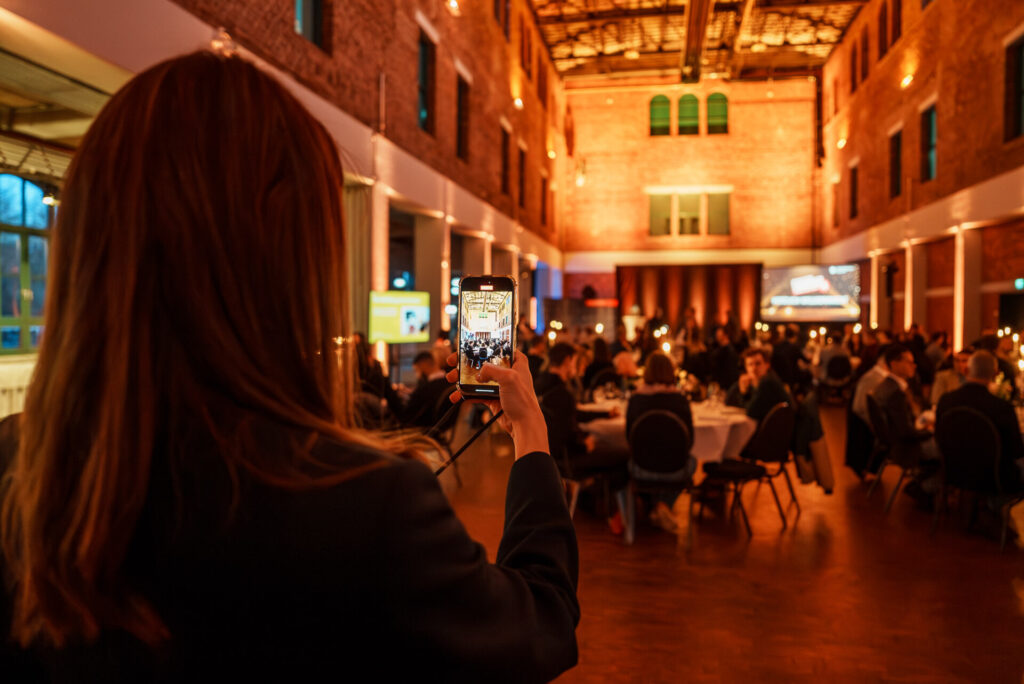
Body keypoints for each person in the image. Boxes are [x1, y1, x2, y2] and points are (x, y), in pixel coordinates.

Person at [0, 52, 579, 681]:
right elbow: (538, 627)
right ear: (293, 268)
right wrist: (532, 439)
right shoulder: (366, 508)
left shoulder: (14, 467)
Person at [936, 350, 1024, 491]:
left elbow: (939, 437)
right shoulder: (1001, 407)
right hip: (995, 477)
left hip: (954, 472)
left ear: (967, 370)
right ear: (995, 374)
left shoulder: (946, 401)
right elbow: (1016, 450)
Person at [534, 343, 621, 472]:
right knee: (621, 454)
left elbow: (570, 415)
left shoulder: (540, 385)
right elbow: (567, 434)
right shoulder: (562, 393)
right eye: (574, 361)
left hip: (546, 455)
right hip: (567, 459)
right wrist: (584, 446)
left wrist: (606, 414)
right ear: (568, 361)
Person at [869, 344, 936, 473]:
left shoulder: (886, 386)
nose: (914, 366)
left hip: (895, 444)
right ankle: (928, 486)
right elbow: (905, 431)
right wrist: (931, 432)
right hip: (905, 448)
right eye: (909, 362)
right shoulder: (895, 393)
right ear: (894, 364)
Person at [725, 347, 791, 422]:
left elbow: (750, 412)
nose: (754, 368)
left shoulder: (768, 382)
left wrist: (744, 394)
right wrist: (740, 386)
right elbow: (728, 401)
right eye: (750, 364)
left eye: (758, 363)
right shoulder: (755, 382)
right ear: (746, 368)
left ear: (767, 365)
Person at [709, 326, 740, 390]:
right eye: (716, 335)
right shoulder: (720, 348)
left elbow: (730, 370)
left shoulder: (729, 351)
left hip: (724, 385)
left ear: (726, 335)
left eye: (719, 335)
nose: (717, 337)